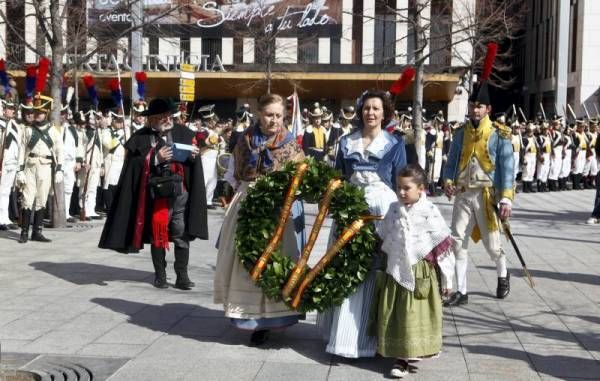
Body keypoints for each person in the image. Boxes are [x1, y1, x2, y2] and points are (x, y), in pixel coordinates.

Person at [317, 89, 407, 358]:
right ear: (361, 112)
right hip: (352, 208)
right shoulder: (346, 142)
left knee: (377, 268)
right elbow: (340, 178)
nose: (371, 113)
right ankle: (344, 338)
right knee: (346, 266)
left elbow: (401, 178)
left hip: (383, 209)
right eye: (367, 108)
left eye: (376, 108)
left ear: (384, 113)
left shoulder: (395, 143)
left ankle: (375, 336)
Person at [213, 93, 305, 346]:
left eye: (278, 115)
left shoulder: (291, 144)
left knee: (274, 260)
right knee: (246, 259)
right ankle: (250, 317)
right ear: (259, 114)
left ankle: (274, 317)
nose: (273, 120)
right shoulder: (244, 140)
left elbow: (301, 178)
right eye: (269, 115)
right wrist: (233, 193)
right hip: (247, 200)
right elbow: (233, 171)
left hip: (277, 207)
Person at [99, 98, 208, 290]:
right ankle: (160, 275)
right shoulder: (140, 138)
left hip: (180, 193)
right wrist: (154, 159)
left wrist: (193, 156)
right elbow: (132, 167)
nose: (167, 119)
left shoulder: (184, 133)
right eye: (161, 117)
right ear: (152, 120)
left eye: (168, 116)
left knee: (181, 233)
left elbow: (194, 161)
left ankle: (182, 275)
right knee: (159, 232)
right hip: (155, 195)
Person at [369, 165, 455, 378]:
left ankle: (408, 355)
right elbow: (385, 235)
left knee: (414, 313)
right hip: (396, 269)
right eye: (399, 187)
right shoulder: (393, 209)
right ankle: (399, 353)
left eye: (407, 188)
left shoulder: (429, 212)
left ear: (421, 189)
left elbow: (441, 247)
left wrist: (447, 279)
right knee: (396, 312)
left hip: (420, 273)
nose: (401, 192)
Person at [442, 78, 514, 307]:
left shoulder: (500, 134)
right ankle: (462, 290)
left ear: (488, 109)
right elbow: (452, 160)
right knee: (456, 242)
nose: (475, 109)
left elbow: (507, 168)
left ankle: (503, 273)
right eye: (472, 105)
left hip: (486, 196)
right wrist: (448, 180)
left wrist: (505, 198)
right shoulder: (460, 133)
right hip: (463, 194)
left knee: (492, 245)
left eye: (479, 106)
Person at [15, 95, 64, 243]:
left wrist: (60, 169)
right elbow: (22, 150)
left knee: (41, 199)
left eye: (40, 112)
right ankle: (24, 232)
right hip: (30, 166)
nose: (37, 115)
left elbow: (59, 150)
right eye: (35, 112)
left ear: (46, 113)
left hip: (45, 167)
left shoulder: (53, 131)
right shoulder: (28, 130)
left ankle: (37, 232)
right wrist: (20, 171)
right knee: (27, 198)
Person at [0, 98, 22, 230]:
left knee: (6, 192)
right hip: (3, 163)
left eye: (13, 108)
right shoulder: (1, 125)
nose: (11, 110)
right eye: (9, 108)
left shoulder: (15, 125)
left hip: (13, 163)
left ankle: (5, 218)